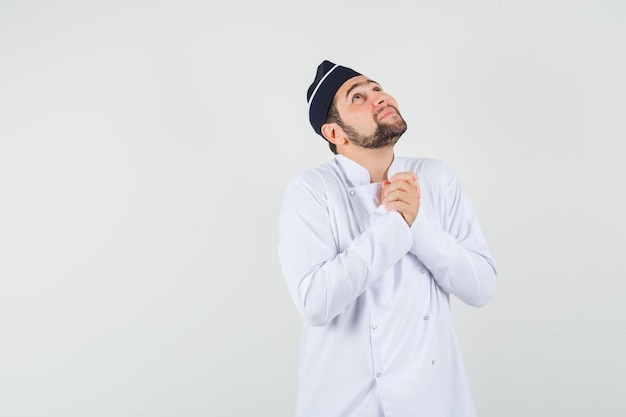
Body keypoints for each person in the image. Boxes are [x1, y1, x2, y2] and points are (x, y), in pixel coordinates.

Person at [277, 60, 498, 417]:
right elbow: (315, 303)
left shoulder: (435, 176)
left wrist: (418, 225)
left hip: (433, 401)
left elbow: (481, 286)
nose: (379, 97)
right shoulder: (311, 190)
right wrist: (394, 222)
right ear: (334, 133)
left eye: (377, 88)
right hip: (346, 405)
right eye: (358, 97)